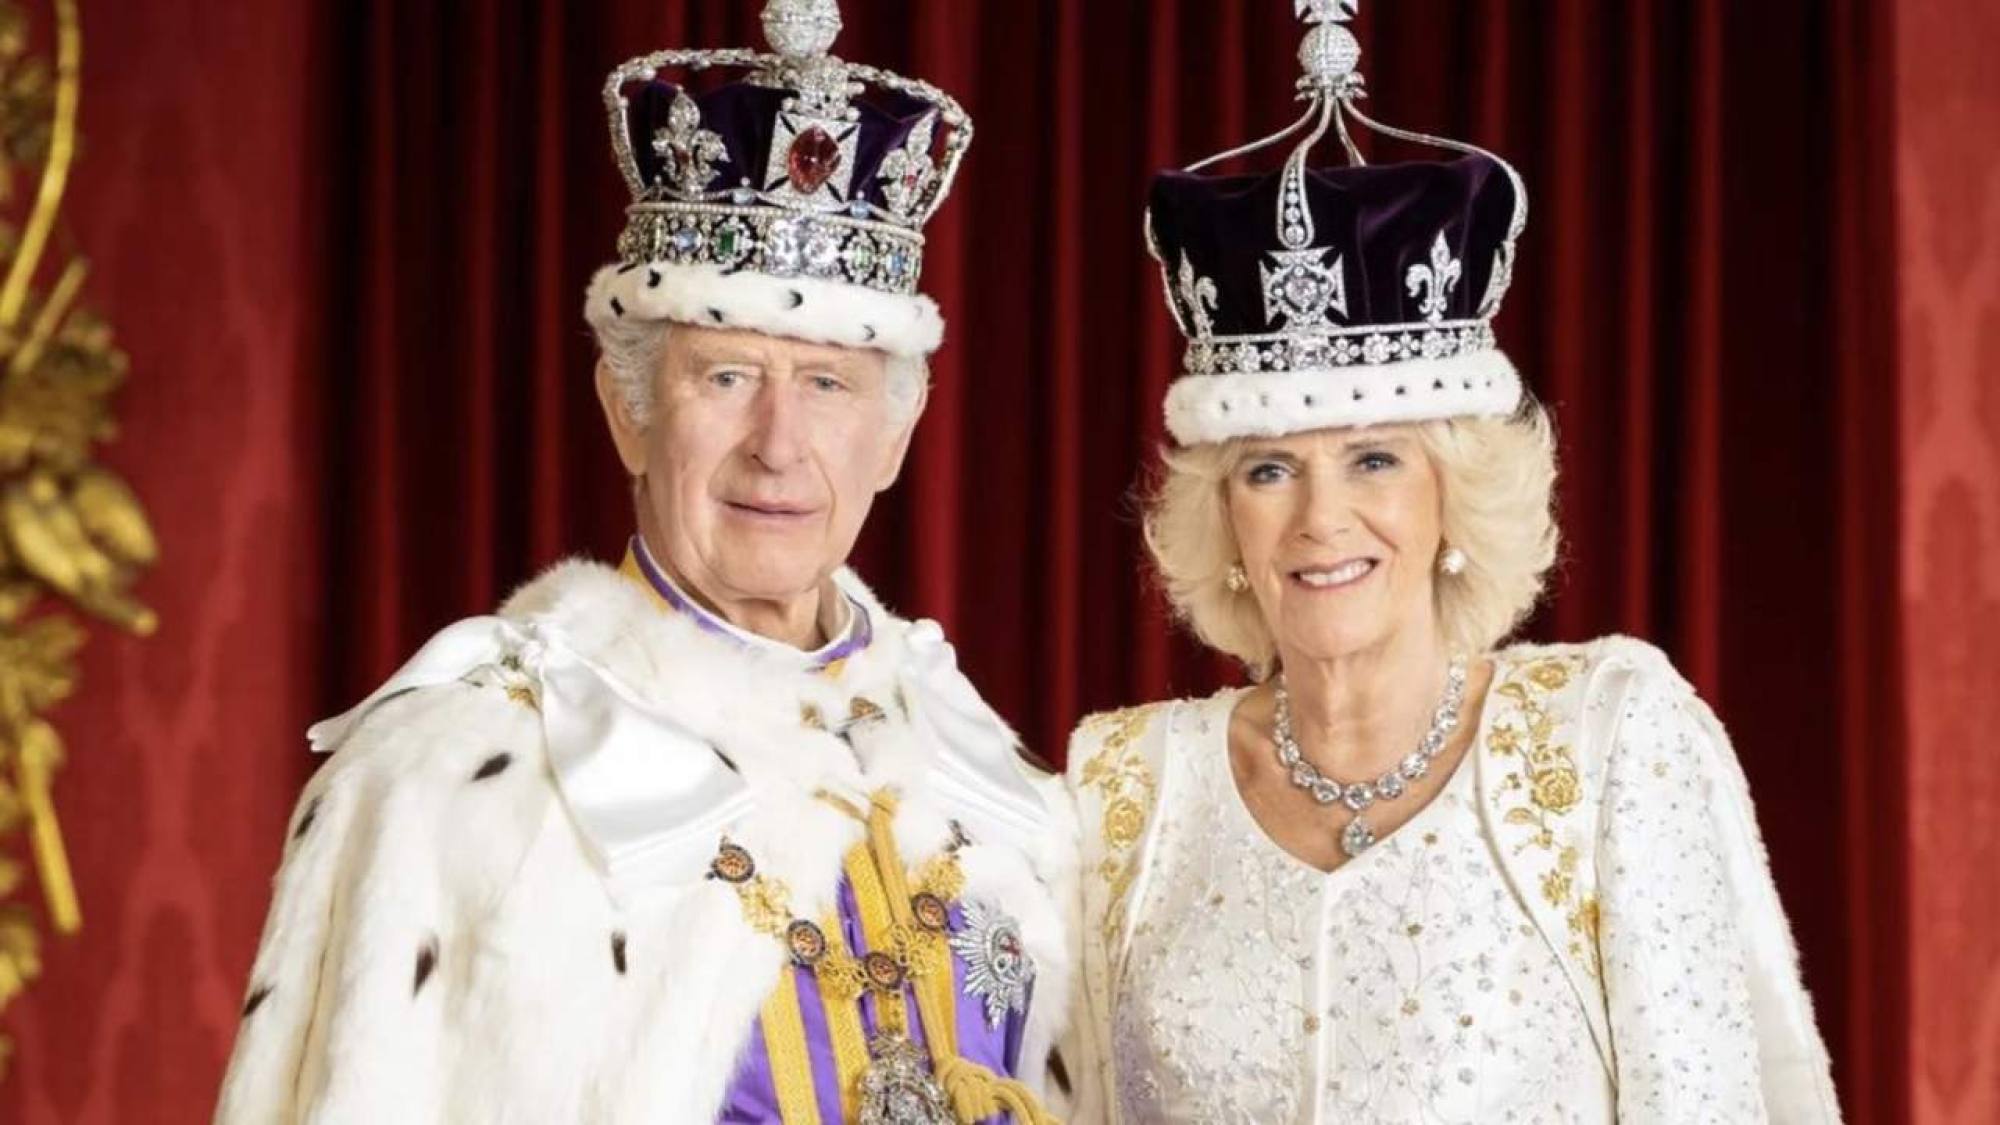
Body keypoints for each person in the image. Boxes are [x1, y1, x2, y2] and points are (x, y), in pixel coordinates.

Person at [216, 3, 1069, 1121]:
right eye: (726, 377)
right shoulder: (456, 780)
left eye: (827, 385)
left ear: (895, 436)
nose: (777, 445)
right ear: (628, 409)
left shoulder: (986, 776)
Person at [1060, 4, 1839, 1122]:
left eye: (1374, 459)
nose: (1321, 518)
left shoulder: (1606, 738)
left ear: (1453, 496)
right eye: (1269, 469)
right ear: (1223, 517)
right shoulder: (1124, 789)